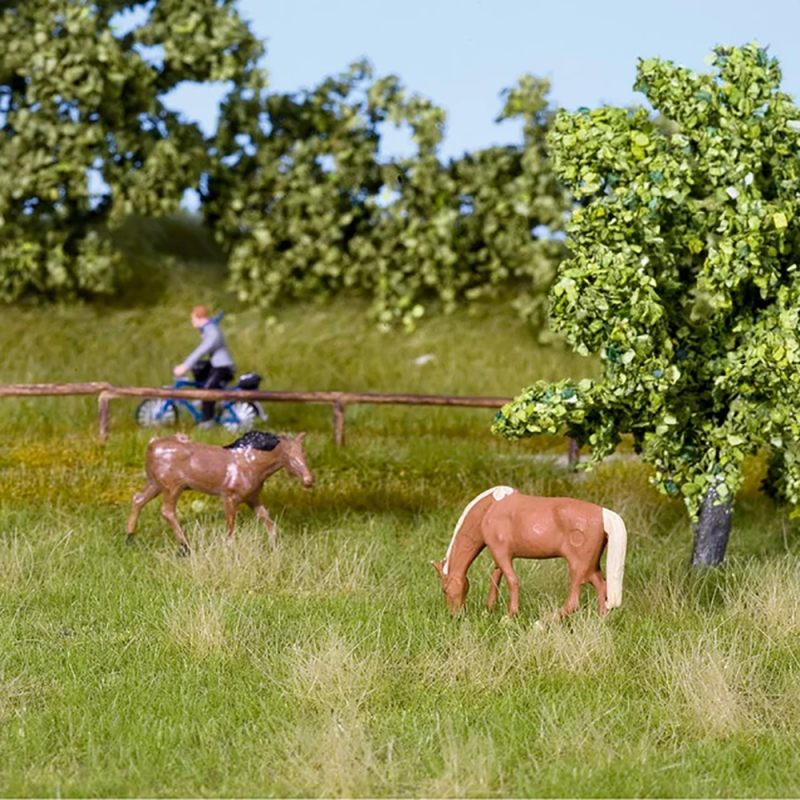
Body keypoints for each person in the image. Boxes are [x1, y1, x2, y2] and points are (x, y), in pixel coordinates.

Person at [173, 306, 236, 429]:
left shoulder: (212, 332)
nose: (192, 321)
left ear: (199, 318)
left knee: (208, 389)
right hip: (216, 364)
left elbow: (201, 351)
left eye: (193, 318)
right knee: (198, 367)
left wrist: (185, 366)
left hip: (223, 367)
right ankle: (201, 398)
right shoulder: (208, 329)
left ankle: (208, 419)